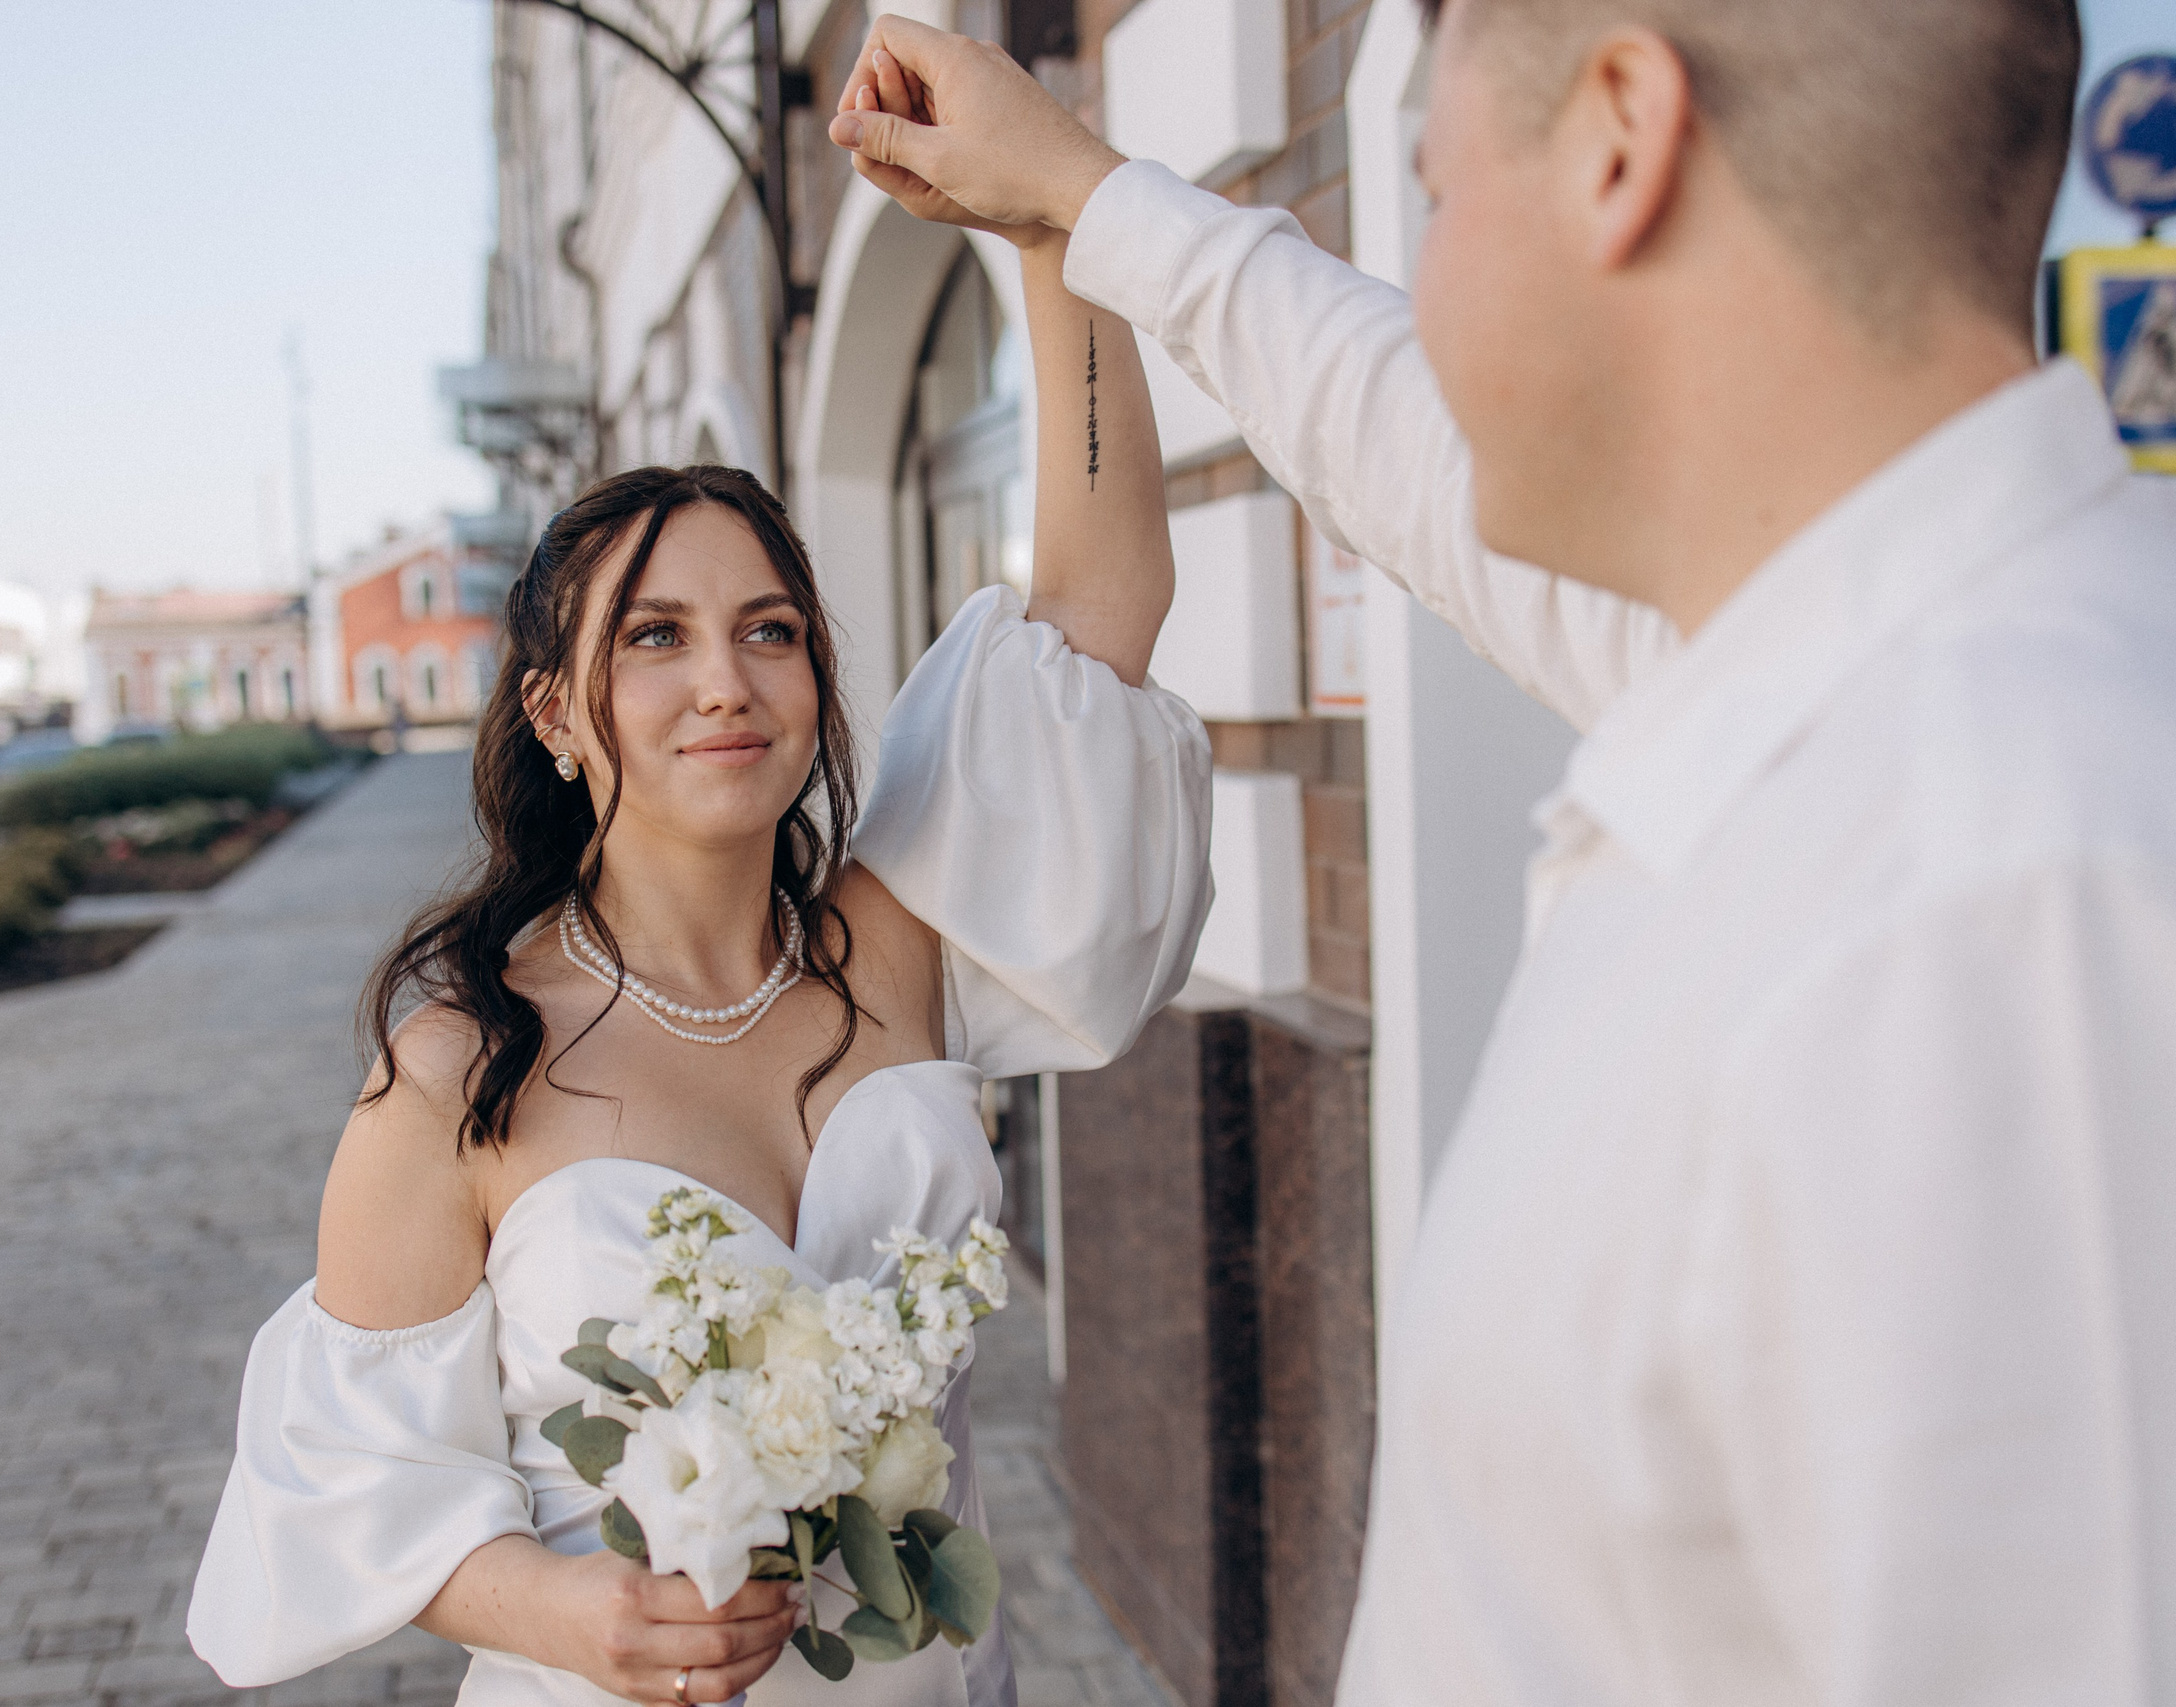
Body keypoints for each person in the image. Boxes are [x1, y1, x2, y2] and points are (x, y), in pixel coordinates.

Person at [827, 3, 2176, 1703]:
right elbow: (1404, 446)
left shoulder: (2014, 905)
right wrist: (1078, 202)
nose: (1426, 281)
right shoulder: (1848, 677)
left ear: (1621, 139)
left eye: (1434, 194)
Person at [183, 58, 1212, 1707]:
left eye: (771, 630)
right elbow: (342, 1484)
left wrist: (1050, 228)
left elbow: (1100, 607)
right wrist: (566, 1617)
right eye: (653, 639)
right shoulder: (461, 1065)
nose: (723, 681)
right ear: (555, 714)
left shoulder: (896, 946)